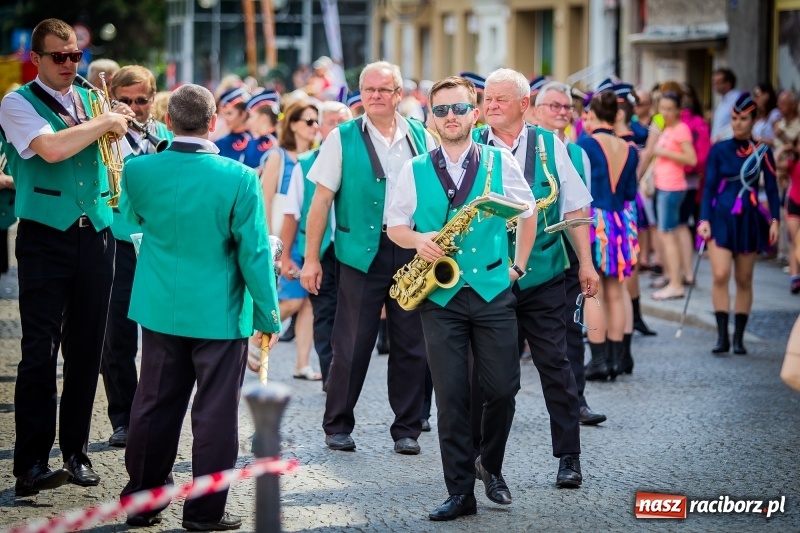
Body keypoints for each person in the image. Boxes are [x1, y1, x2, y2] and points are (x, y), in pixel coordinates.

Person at [119, 83, 281, 529]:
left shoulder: (138, 169)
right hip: (221, 311)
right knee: (214, 414)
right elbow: (254, 254)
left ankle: (142, 502)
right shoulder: (239, 177)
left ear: (168, 121)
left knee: (152, 404)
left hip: (159, 307)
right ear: (215, 123)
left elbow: (127, 221)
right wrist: (268, 314)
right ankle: (204, 511)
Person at [386, 75, 536, 520]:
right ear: (430, 118)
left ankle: (488, 464)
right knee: (450, 397)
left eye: (458, 108)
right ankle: (460, 493)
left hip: (492, 289)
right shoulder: (413, 169)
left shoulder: (498, 160)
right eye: (440, 110)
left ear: (474, 112)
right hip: (441, 294)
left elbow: (528, 213)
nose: (450, 117)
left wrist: (518, 267)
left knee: (503, 388)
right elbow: (394, 225)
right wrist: (418, 240)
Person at [0, 18, 131, 495]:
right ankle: (30, 464)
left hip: (96, 233)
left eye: (76, 55)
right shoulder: (16, 102)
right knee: (38, 352)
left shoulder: (89, 98)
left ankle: (75, 452)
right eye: (60, 56)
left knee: (87, 350)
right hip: (44, 237)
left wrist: (113, 123)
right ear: (36, 59)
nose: (70, 64)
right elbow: (50, 150)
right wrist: (104, 122)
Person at [300, 61, 436, 454]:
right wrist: (312, 260)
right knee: (352, 343)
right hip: (360, 253)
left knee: (411, 343)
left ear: (399, 95)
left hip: (410, 250)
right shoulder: (341, 137)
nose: (375, 95)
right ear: (359, 93)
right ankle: (337, 425)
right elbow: (320, 203)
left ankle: (407, 428)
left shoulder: (420, 136)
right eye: (368, 89)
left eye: (384, 89)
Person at [475, 68, 598, 487]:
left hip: (544, 275)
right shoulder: (472, 146)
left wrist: (586, 263)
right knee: (495, 378)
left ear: (524, 105)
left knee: (556, 365)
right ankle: (487, 462)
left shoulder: (551, 145)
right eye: (486, 99)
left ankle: (569, 458)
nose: (489, 106)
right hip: (490, 280)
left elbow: (575, 208)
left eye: (499, 100)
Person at [101, 65, 173, 448]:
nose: (133, 107)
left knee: (161, 334)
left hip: (158, 245)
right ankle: (123, 416)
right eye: (124, 101)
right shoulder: (100, 137)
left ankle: (155, 412)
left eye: (141, 100)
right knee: (117, 334)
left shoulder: (165, 137)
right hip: (116, 240)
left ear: (152, 99)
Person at [533, 81, 607, 425]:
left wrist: (588, 257)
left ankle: (577, 400)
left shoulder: (579, 153)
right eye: (554, 106)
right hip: (534, 254)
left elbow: (582, 205)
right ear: (535, 109)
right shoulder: (525, 145)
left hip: (570, 252)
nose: (562, 112)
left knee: (571, 329)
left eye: (567, 107)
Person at [698, 93, 780, 355]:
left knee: (744, 279)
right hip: (720, 218)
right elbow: (708, 187)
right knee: (720, 275)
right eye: (734, 118)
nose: (737, 123)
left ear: (754, 120)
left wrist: (775, 219)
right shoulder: (719, 149)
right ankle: (722, 336)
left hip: (748, 219)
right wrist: (704, 219)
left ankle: (739, 338)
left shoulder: (763, 152)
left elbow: (774, 190)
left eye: (743, 119)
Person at [283, 101, 352, 389]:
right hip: (320, 251)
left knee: (351, 315)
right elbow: (292, 212)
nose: (336, 126)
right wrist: (286, 255)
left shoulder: (359, 160)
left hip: (354, 249)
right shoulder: (306, 162)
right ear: (320, 127)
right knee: (323, 313)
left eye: (342, 120)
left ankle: (347, 372)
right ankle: (331, 377)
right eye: (330, 120)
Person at [578, 90, 639, 381]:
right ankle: (616, 360)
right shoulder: (629, 149)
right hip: (620, 223)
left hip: (595, 222)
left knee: (592, 291)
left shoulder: (585, 145)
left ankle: (599, 359)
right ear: (616, 114)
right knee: (616, 292)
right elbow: (630, 194)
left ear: (592, 114)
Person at [262, 101, 321, 381]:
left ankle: (302, 363)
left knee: (308, 301)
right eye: (309, 121)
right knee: (292, 301)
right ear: (294, 123)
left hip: (310, 234)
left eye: (316, 121)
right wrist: (264, 239)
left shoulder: (320, 155)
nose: (314, 127)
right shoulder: (279, 156)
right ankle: (251, 340)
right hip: (283, 236)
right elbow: (265, 198)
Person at [650, 84, 697, 301]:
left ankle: (676, 284)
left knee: (667, 236)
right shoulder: (667, 129)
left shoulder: (681, 129)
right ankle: (672, 277)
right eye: (662, 108)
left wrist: (664, 152)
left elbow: (691, 159)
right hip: (663, 187)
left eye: (670, 109)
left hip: (672, 188)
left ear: (679, 110)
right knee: (667, 235)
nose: (665, 113)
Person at [215, 86, 260, 167]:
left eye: (229, 113)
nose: (226, 118)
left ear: (243, 114)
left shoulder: (257, 142)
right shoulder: (220, 143)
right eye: (224, 114)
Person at [245, 89, 280, 171]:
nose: (248, 122)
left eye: (251, 117)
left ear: (263, 118)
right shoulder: (251, 141)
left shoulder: (277, 143)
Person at [711, 68, 740, 143]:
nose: (715, 85)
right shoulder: (722, 100)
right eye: (713, 82)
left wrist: (723, 136)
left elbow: (739, 122)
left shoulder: (736, 99)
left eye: (718, 82)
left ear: (728, 84)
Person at [752, 82, 781, 147]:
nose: (755, 99)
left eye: (757, 95)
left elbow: (779, 141)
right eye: (754, 96)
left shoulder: (775, 114)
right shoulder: (757, 116)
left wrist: (760, 140)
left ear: (767, 95)